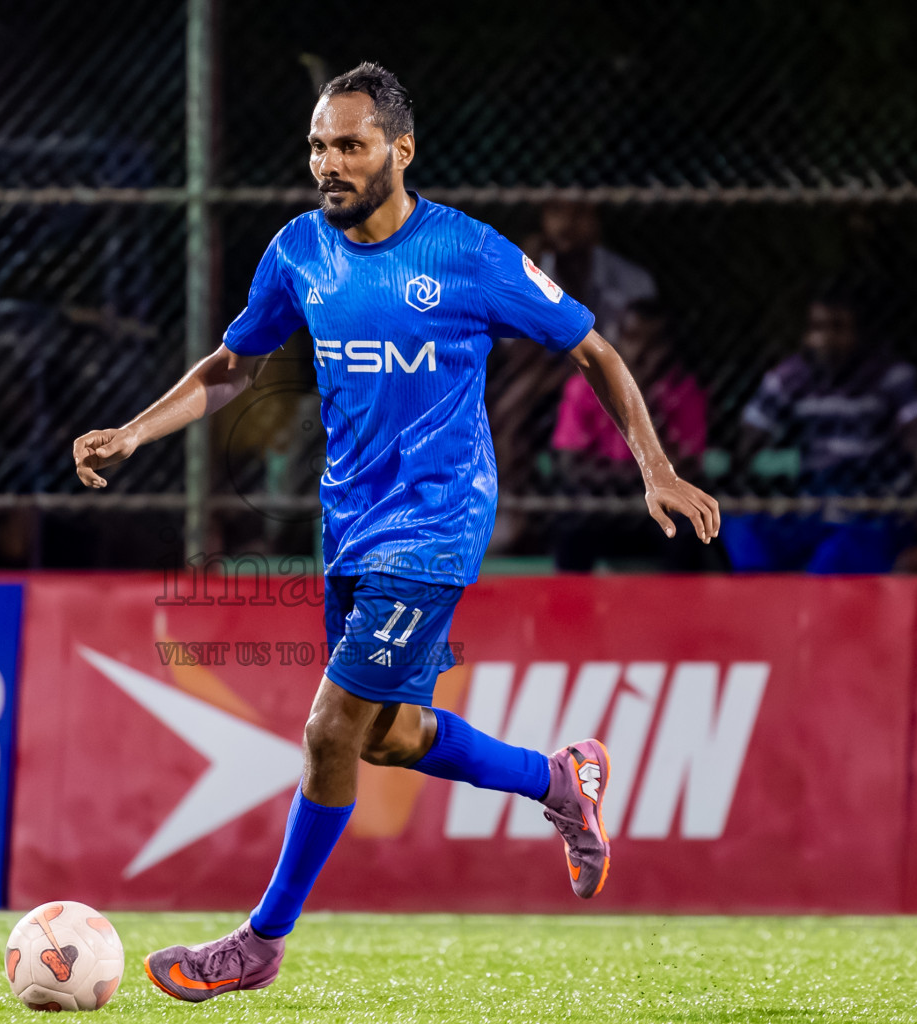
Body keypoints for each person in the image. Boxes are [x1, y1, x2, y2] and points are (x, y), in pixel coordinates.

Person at [72, 62, 721, 1002]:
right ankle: (560, 778)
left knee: (330, 728)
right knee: (385, 735)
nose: (327, 163)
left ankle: (260, 942)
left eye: (349, 145)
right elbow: (234, 367)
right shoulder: (299, 249)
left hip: (437, 522)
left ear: (399, 150)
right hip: (351, 526)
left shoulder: (468, 253)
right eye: (317, 147)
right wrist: (133, 431)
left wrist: (653, 467)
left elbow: (594, 348)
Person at [722, 285, 917, 573]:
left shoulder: (890, 377)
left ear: (860, 333)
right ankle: (764, 597)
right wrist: (739, 475)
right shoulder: (793, 376)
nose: (826, 340)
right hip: (813, 509)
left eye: (838, 328)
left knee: (834, 558)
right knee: (739, 527)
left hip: (872, 511)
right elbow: (748, 436)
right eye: (818, 328)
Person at [486, 200, 656, 552]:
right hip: (544, 377)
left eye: (577, 213)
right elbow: (514, 349)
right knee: (510, 404)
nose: (566, 223)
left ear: (595, 221)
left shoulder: (631, 281)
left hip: (607, 378)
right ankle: (516, 512)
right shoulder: (529, 270)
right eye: (555, 212)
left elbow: (629, 351)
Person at [552, 298, 711, 571]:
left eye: (654, 344)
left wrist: (643, 401)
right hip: (603, 501)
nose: (641, 352)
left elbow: (688, 468)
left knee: (689, 529)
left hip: (659, 508)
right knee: (570, 523)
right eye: (634, 338)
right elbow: (570, 463)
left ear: (668, 347)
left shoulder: (683, 392)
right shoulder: (584, 386)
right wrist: (639, 474)